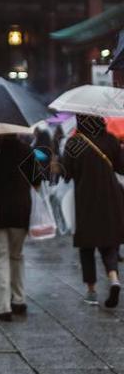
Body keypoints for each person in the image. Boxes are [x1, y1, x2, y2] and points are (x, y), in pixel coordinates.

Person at [63, 114, 124, 308]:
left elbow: (67, 173)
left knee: (87, 245)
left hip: (85, 198)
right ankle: (113, 277)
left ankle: (91, 290)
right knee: (110, 241)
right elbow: (121, 168)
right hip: (111, 196)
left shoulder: (75, 143)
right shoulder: (110, 139)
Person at [0, 134, 33, 320]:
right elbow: (37, 180)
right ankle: (19, 300)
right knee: (17, 256)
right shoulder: (26, 149)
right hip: (21, 211)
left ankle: (2, 306)